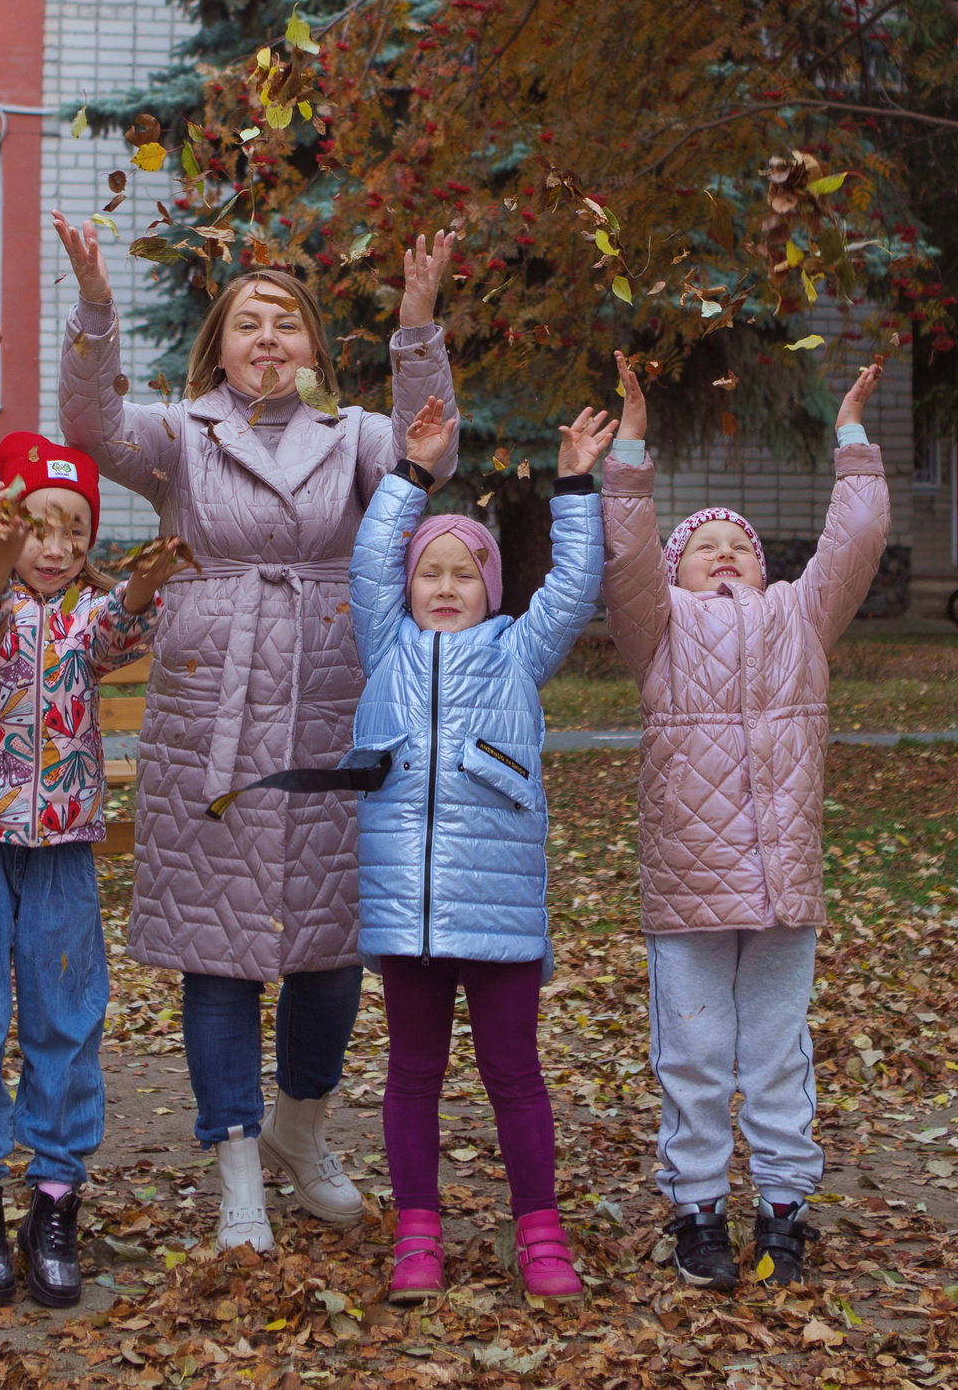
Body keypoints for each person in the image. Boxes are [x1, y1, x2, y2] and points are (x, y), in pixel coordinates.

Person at [51, 210, 457, 1250]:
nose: (266, 338)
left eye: (284, 322)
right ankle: (236, 1167)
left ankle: (299, 1130)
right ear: (219, 346)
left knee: (330, 949)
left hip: (332, 696)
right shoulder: (182, 438)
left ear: (314, 349)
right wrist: (96, 301)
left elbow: (430, 453)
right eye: (246, 324)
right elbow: (90, 426)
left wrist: (417, 326)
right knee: (217, 951)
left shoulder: (355, 436)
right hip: (211, 711)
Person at [600, 352, 890, 1289]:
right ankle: (695, 1210)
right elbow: (628, 555)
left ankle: (784, 1207)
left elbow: (856, 540)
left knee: (774, 1052)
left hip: (782, 887)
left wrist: (851, 438)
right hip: (688, 891)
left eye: (740, 541)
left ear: (766, 566)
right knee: (691, 1054)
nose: (724, 551)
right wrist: (632, 453)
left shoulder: (799, 619)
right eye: (705, 541)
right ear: (677, 568)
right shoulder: (661, 629)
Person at [342, 396, 613, 1303]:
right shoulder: (386, 647)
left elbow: (573, 587)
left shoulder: (516, 654)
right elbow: (371, 564)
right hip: (406, 915)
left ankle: (540, 1228)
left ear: (492, 590)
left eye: (466, 572)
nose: (447, 585)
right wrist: (413, 476)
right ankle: (417, 1229)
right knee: (412, 1075)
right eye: (434, 573)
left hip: (497, 915)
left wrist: (576, 484)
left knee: (514, 1075)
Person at [0, 433, 194, 1309]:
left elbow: (123, 629)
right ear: (8, 526)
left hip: (64, 850)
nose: (55, 545)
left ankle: (54, 1195)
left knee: (65, 1020)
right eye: (38, 526)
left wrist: (145, 585)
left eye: (73, 532)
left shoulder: (86, 615)